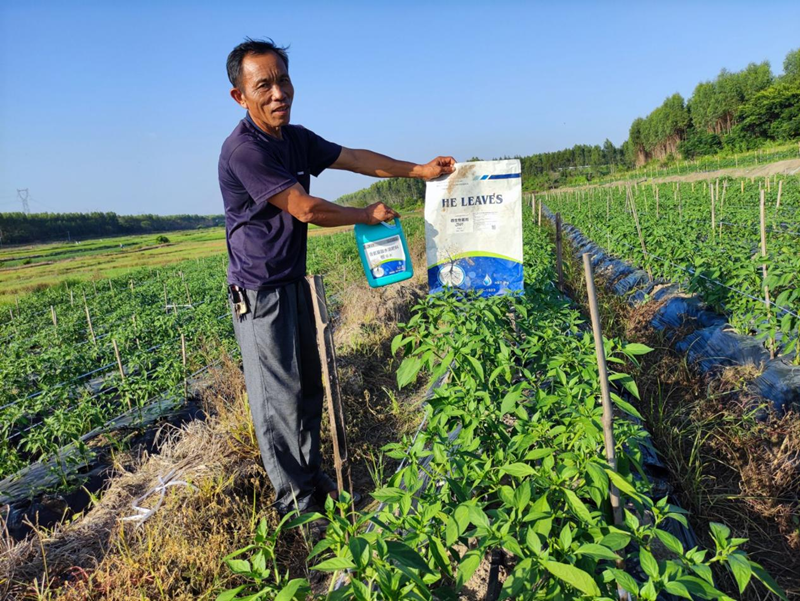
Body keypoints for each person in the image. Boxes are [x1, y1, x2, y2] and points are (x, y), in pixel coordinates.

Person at [219, 38, 455, 517]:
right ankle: (299, 508)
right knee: (277, 402)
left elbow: (356, 158)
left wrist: (420, 171)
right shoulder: (244, 150)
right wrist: (363, 213)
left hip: (292, 281)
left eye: (282, 80)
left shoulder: (297, 139)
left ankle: (311, 479)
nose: (277, 93)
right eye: (263, 85)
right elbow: (305, 209)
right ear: (240, 97)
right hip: (259, 292)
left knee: (307, 389)